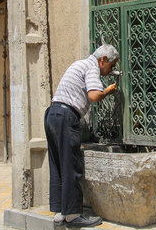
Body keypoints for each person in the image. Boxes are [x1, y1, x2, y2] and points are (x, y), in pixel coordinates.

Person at [44, 44, 118, 228]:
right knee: (71, 165)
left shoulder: (79, 64)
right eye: (111, 66)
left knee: (58, 165)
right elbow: (93, 95)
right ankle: (73, 215)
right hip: (66, 117)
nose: (111, 70)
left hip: (52, 114)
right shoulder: (92, 67)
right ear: (103, 60)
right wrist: (108, 91)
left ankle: (60, 212)